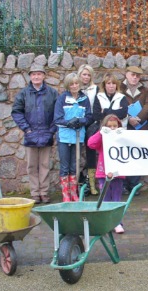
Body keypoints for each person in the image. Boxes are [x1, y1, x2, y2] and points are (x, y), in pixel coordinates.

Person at [11, 64, 58, 204]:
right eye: (33, 74)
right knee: (31, 165)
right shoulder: (24, 93)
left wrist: (51, 130)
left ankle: (44, 192)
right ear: (30, 77)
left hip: (46, 134)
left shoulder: (52, 93)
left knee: (44, 165)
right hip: (30, 134)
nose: (36, 77)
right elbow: (17, 112)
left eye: (39, 74)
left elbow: (58, 112)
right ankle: (35, 193)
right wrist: (26, 129)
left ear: (44, 76)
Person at [54, 73, 93, 202]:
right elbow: (57, 118)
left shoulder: (84, 99)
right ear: (68, 85)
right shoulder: (62, 99)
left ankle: (74, 191)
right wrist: (68, 122)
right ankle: (66, 193)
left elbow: (89, 116)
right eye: (72, 84)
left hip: (78, 135)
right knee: (65, 165)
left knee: (74, 165)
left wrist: (81, 121)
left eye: (76, 83)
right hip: (65, 136)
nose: (75, 86)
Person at [88, 114, 126, 234]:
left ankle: (117, 223)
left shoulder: (121, 138)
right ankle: (106, 223)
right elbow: (91, 144)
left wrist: (124, 134)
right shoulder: (103, 138)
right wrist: (101, 133)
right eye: (109, 126)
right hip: (103, 172)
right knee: (105, 199)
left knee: (116, 198)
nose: (112, 128)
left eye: (115, 126)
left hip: (118, 173)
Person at [120, 66, 148, 195]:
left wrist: (138, 118)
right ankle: (123, 184)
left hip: (140, 126)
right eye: (132, 75)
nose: (135, 78)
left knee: (136, 157)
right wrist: (128, 118)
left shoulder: (144, 90)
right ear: (126, 74)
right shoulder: (120, 89)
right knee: (123, 156)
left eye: (137, 76)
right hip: (124, 126)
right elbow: (117, 105)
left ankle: (134, 185)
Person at [78, 64, 99, 195]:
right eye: (84, 74)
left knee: (91, 155)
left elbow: (97, 107)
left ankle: (91, 184)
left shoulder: (95, 89)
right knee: (77, 155)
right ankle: (80, 183)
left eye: (88, 75)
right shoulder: (75, 87)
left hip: (92, 124)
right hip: (78, 125)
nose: (86, 77)